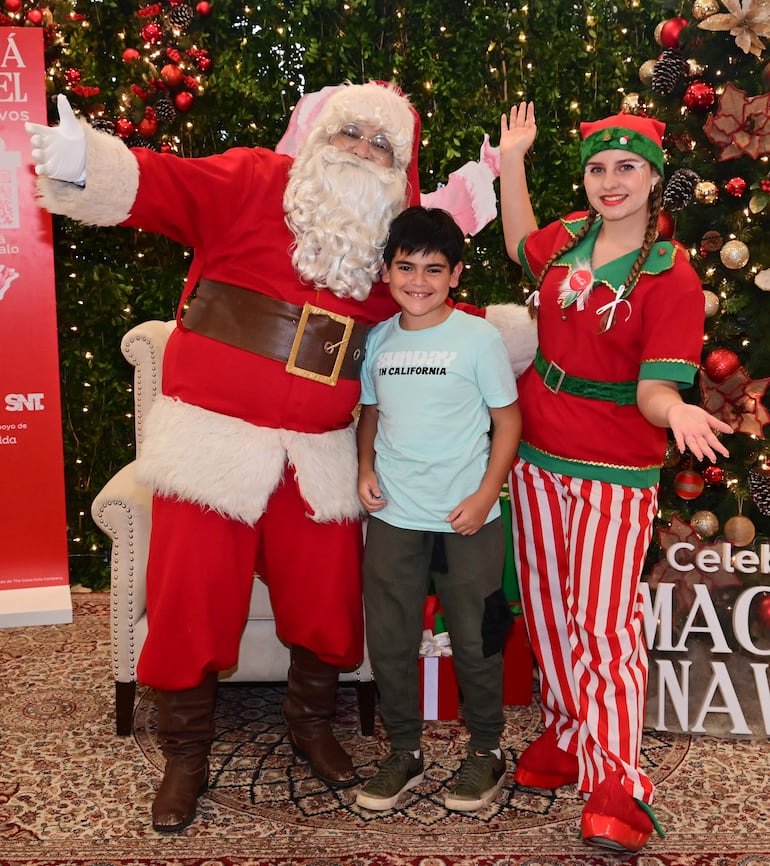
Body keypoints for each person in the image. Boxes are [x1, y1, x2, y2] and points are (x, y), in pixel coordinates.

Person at [25, 82, 537, 834]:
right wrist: (85, 164)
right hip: (212, 444)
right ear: (319, 135)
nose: (361, 151)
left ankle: (312, 726)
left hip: (322, 457)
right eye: (350, 134)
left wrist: (506, 332)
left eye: (381, 144)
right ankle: (186, 754)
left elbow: (429, 312)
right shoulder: (255, 181)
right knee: (190, 599)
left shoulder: (388, 238)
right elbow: (160, 185)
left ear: (400, 168)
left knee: (327, 603)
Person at [497, 104, 733, 853]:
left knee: (604, 629)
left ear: (654, 177)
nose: (610, 181)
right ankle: (568, 732)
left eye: (626, 167)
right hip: (536, 459)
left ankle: (619, 782)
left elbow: (651, 389)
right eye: (599, 167)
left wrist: (679, 413)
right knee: (548, 615)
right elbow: (517, 243)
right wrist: (513, 159)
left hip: (612, 471)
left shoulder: (672, 278)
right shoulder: (568, 239)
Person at [355, 205, 522, 812]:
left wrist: (484, 496)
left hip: (467, 521)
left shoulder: (477, 339)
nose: (417, 281)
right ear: (388, 271)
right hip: (396, 517)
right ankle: (403, 749)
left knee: (477, 639)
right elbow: (370, 411)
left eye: (433, 268)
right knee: (391, 639)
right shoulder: (378, 340)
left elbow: (509, 421)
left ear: (455, 275)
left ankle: (486, 751)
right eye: (405, 267)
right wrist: (365, 468)